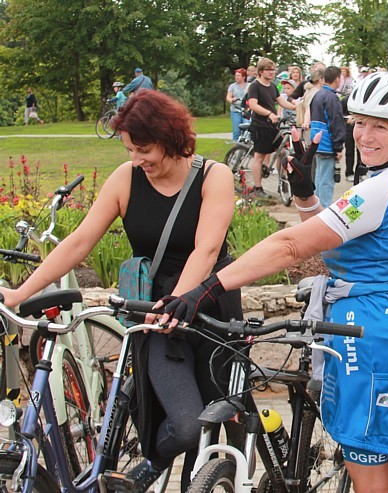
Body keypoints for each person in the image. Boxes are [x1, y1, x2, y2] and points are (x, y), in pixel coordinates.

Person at [158, 72, 388, 493]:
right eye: (360, 121)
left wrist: (208, 288)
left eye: (380, 125)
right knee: (382, 470)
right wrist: (307, 197)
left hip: (372, 337)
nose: (364, 134)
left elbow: (291, 246)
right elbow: (336, 241)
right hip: (387, 329)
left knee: (371, 477)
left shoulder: (384, 186)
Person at [0, 89, 243, 493]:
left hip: (210, 307)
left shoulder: (213, 176)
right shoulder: (126, 180)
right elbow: (79, 242)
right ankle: (144, 470)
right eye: (130, 150)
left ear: (169, 138)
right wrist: (20, 292)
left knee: (223, 425)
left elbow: (207, 249)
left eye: (143, 149)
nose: (136, 159)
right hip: (155, 312)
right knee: (186, 427)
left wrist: (174, 304)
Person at [247, 57, 297, 198]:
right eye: (268, 70)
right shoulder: (255, 86)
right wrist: (269, 113)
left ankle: (282, 183)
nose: (272, 73)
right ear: (261, 71)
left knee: (282, 152)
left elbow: (281, 101)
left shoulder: (273, 86)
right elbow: (253, 104)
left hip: (273, 126)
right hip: (260, 125)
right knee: (259, 156)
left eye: (273, 70)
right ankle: (257, 187)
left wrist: (295, 106)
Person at [309, 66, 345, 207]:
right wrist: (338, 147)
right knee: (326, 181)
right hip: (327, 144)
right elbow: (335, 123)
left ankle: (316, 207)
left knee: (319, 177)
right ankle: (323, 210)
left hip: (317, 143)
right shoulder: (332, 98)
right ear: (337, 78)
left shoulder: (317, 95)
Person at [226, 68, 249, 142]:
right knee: (236, 130)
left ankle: (246, 146)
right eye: (236, 76)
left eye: (239, 76)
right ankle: (235, 148)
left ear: (243, 77)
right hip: (235, 110)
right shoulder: (232, 86)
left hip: (246, 110)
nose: (237, 77)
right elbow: (228, 97)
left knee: (248, 127)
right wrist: (231, 100)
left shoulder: (249, 85)